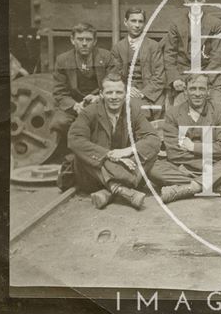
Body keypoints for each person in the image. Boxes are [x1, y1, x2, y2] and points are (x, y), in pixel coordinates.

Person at [67, 72, 161, 210]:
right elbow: (74, 139)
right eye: (109, 92)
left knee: (151, 152)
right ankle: (119, 188)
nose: (114, 97)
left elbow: (153, 139)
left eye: (119, 92)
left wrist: (126, 151)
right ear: (101, 94)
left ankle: (113, 191)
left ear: (125, 94)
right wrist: (109, 155)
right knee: (83, 154)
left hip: (124, 168)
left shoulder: (132, 111)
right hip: (95, 174)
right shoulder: (89, 112)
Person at [148, 74, 221, 203]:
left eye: (201, 89)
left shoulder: (220, 111)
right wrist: (208, 161)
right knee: (152, 167)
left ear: (208, 91)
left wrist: (193, 147)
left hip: (211, 166)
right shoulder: (173, 113)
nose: (197, 93)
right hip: (187, 168)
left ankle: (191, 187)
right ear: (185, 91)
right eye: (193, 89)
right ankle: (217, 186)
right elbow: (174, 153)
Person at [162, 0, 221, 108]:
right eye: (191, 0)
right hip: (184, 78)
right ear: (185, 0)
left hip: (210, 79)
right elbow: (169, 55)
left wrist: (204, 81)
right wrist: (175, 78)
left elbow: (216, 59)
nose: (195, 4)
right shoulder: (176, 24)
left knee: (216, 110)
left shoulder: (215, 23)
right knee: (178, 112)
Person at [51, 23, 118, 136]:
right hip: (74, 106)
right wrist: (75, 106)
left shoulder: (106, 57)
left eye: (88, 39)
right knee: (58, 122)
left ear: (95, 41)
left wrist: (99, 98)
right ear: (72, 40)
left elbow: (114, 85)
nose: (84, 43)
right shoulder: (62, 60)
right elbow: (59, 92)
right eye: (80, 39)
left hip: (100, 103)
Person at [111, 8, 166, 120]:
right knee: (135, 110)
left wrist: (143, 93)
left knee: (161, 111)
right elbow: (114, 76)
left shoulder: (153, 46)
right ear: (125, 22)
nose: (137, 25)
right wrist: (127, 88)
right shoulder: (118, 48)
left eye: (140, 21)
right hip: (128, 92)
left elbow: (159, 76)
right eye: (133, 21)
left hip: (150, 91)